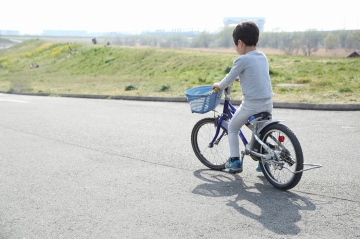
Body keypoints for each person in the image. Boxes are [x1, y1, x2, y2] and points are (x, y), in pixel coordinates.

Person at [212, 21, 273, 173]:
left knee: (232, 127)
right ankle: (264, 162)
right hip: (267, 102)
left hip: (251, 104)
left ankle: (234, 161)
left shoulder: (242, 59)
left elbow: (229, 78)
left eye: (235, 44)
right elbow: (255, 74)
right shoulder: (262, 56)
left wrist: (219, 86)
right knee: (260, 132)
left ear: (240, 42)